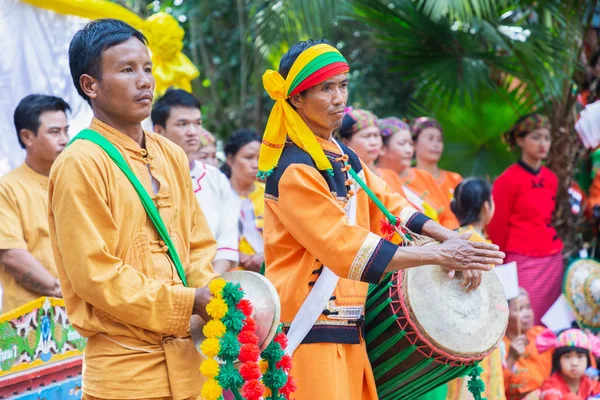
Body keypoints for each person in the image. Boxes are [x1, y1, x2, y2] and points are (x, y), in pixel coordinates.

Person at [259, 39, 504, 400]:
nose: (339, 98)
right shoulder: (295, 169)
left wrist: (446, 238)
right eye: (326, 88)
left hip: (351, 329)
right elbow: (344, 246)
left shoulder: (344, 157)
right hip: (309, 333)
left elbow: (392, 205)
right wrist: (440, 255)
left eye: (342, 85)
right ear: (296, 98)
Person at [48, 19, 217, 399]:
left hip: (192, 369)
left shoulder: (171, 154)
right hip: (126, 375)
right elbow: (94, 274)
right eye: (126, 70)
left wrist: (207, 294)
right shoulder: (81, 162)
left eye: (147, 68)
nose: (144, 81)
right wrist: (188, 302)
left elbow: (198, 242)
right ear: (90, 85)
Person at [152, 88, 239, 274]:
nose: (193, 132)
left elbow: (227, 240)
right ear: (158, 130)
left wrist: (211, 285)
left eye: (197, 123)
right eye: (182, 124)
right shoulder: (145, 176)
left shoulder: (216, 179)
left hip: (213, 281)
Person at [487, 114, 563, 325]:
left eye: (546, 138)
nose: (543, 144)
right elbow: (497, 226)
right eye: (536, 137)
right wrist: (499, 264)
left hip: (552, 259)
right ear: (520, 140)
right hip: (521, 260)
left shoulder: (551, 178)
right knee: (522, 320)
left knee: (549, 322)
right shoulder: (507, 180)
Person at [0, 94, 67, 313]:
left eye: (66, 130)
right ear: (27, 137)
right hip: (28, 323)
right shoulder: (7, 188)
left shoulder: (74, 183)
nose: (65, 139)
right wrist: (65, 292)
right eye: (54, 132)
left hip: (79, 315)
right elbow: (11, 255)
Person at [445, 178, 506, 400]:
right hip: (477, 330)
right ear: (486, 206)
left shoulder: (451, 237)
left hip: (453, 332)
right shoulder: (478, 241)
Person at [376, 117, 459, 229]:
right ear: (382, 148)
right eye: (402, 144)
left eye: (410, 144)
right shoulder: (377, 178)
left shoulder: (424, 176)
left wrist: (449, 237)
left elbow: (448, 216)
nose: (409, 150)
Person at [221, 130, 264, 273]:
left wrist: (264, 256)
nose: (256, 164)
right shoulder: (218, 194)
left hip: (268, 273)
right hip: (227, 275)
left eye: (259, 158)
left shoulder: (271, 195)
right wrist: (235, 256)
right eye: (248, 157)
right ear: (230, 159)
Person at [502, 288, 553, 400]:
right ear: (505, 314)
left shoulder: (541, 334)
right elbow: (495, 388)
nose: (527, 314)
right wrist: (510, 359)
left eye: (528, 307)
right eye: (519, 309)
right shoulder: (498, 347)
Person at [536, 329, 600, 399]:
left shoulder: (593, 386)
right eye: (567, 357)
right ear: (558, 360)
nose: (574, 363)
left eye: (580, 357)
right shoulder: (548, 388)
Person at [412, 117, 463, 200]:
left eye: (439, 140)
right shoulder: (408, 179)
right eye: (430, 138)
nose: (436, 145)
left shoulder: (455, 179)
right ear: (414, 144)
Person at [337, 107, 384, 174]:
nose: (374, 142)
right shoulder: (344, 177)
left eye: (376, 135)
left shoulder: (391, 176)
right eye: (366, 136)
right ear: (345, 142)